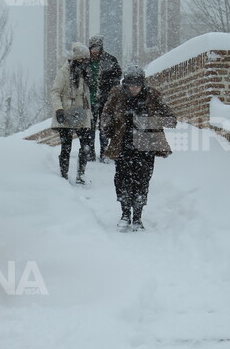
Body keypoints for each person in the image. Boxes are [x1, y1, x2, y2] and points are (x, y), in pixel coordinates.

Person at [101, 65, 178, 231]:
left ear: (143, 84)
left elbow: (171, 119)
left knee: (142, 181)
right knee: (122, 180)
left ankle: (137, 216)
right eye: (130, 85)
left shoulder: (152, 96)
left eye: (137, 85)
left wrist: (149, 121)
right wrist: (109, 128)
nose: (134, 89)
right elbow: (106, 115)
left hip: (146, 146)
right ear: (125, 84)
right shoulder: (117, 95)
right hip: (123, 145)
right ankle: (124, 214)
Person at [51, 42, 94, 184]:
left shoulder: (86, 74)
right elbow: (55, 92)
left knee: (86, 144)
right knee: (66, 147)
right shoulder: (64, 72)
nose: (86, 63)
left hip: (81, 114)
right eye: (84, 60)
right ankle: (64, 174)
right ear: (78, 60)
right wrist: (59, 109)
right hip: (66, 113)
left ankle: (81, 174)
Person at [87, 35, 123, 163]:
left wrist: (108, 88)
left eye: (97, 48)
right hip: (90, 101)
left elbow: (117, 78)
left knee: (104, 127)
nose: (95, 51)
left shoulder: (111, 60)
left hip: (105, 100)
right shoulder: (86, 61)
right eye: (93, 48)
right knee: (89, 127)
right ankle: (90, 152)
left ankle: (104, 152)